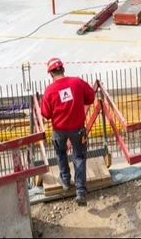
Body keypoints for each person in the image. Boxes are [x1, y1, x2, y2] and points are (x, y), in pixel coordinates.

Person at [40, 58, 96, 206]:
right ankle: (80, 191)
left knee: (60, 153)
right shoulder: (77, 82)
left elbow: (45, 114)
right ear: (63, 69)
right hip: (78, 129)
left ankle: (65, 180)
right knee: (79, 156)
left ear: (51, 74)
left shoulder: (49, 91)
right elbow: (91, 96)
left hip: (59, 130)